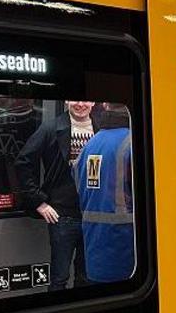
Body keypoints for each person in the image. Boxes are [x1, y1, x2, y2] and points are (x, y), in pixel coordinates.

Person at [17, 100, 95, 291]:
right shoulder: (51, 128)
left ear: (93, 102)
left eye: (85, 99)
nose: (80, 104)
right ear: (67, 101)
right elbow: (23, 162)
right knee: (59, 279)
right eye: (75, 99)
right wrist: (39, 202)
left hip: (93, 215)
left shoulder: (100, 129)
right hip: (62, 215)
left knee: (87, 277)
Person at [75, 103, 134, 283]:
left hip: (95, 251)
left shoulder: (90, 144)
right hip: (126, 252)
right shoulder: (134, 143)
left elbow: (79, 185)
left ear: (106, 106)